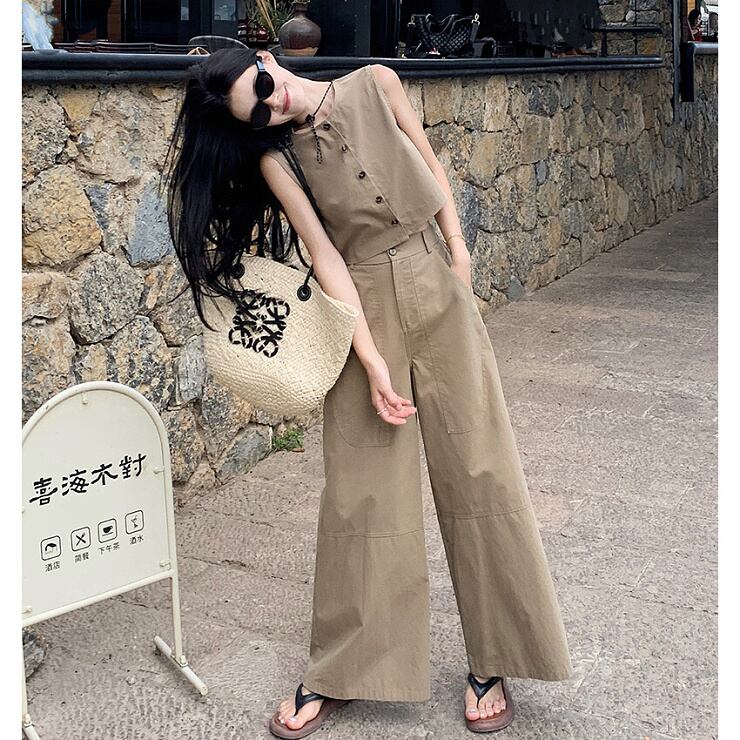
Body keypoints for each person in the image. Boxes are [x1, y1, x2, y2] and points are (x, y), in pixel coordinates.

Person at [162, 48, 574, 738]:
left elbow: (430, 167)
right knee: (362, 490)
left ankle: (497, 657)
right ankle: (345, 668)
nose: (271, 105)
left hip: (436, 283)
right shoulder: (277, 160)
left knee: (480, 467)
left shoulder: (377, 84)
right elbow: (326, 255)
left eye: (262, 86)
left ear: (267, 59)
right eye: (254, 114)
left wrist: (459, 253)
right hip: (362, 309)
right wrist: (373, 361)